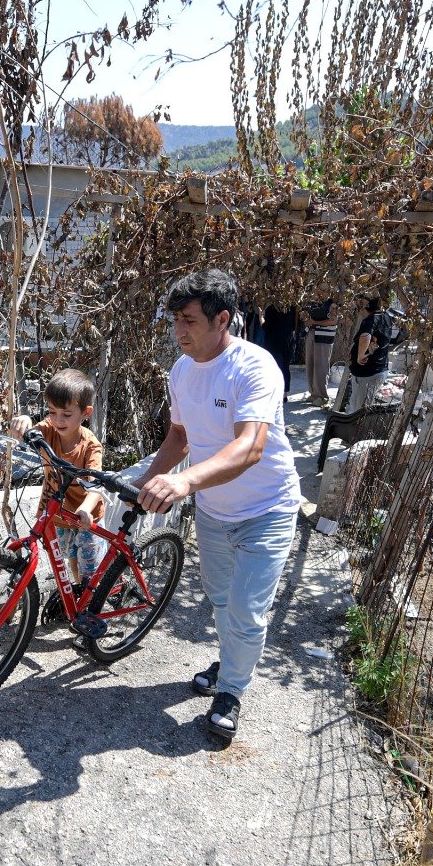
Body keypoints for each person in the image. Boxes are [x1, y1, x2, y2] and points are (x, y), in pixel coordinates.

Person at [137, 270, 302, 741]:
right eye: (175, 320)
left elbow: (249, 447)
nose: (179, 331)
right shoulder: (183, 370)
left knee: (248, 611)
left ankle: (230, 689)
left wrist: (183, 482)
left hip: (267, 510)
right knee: (222, 601)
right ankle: (231, 660)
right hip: (213, 512)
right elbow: (180, 436)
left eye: (189, 320)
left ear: (222, 319)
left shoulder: (255, 367)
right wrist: (147, 481)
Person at [7, 368, 107, 611]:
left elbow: (95, 485)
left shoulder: (91, 446)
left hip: (86, 516)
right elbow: (27, 432)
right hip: (57, 515)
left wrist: (84, 510)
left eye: (66, 414)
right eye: (52, 412)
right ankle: (78, 599)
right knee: (68, 561)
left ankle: (90, 609)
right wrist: (22, 423)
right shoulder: (49, 431)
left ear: (85, 413)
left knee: (89, 571)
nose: (58, 420)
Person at [347, 295, 398, 412]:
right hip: (378, 369)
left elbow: (365, 336)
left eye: (360, 307)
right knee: (357, 404)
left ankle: (358, 430)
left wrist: (360, 355)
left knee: (360, 410)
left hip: (367, 374)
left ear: (365, 308)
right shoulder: (385, 317)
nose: (358, 310)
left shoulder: (371, 320)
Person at [302, 295, 337, 405]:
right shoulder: (314, 300)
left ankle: (322, 396)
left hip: (324, 337)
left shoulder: (332, 303)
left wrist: (314, 322)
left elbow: (333, 321)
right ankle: (313, 393)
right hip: (311, 333)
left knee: (321, 366)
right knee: (310, 364)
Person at [260, 304, 299, 396]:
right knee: (285, 368)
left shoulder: (272, 308)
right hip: (287, 342)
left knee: (273, 368)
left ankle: (274, 393)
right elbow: (293, 326)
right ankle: (284, 393)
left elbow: (266, 327)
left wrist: (261, 318)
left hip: (273, 343)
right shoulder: (291, 307)